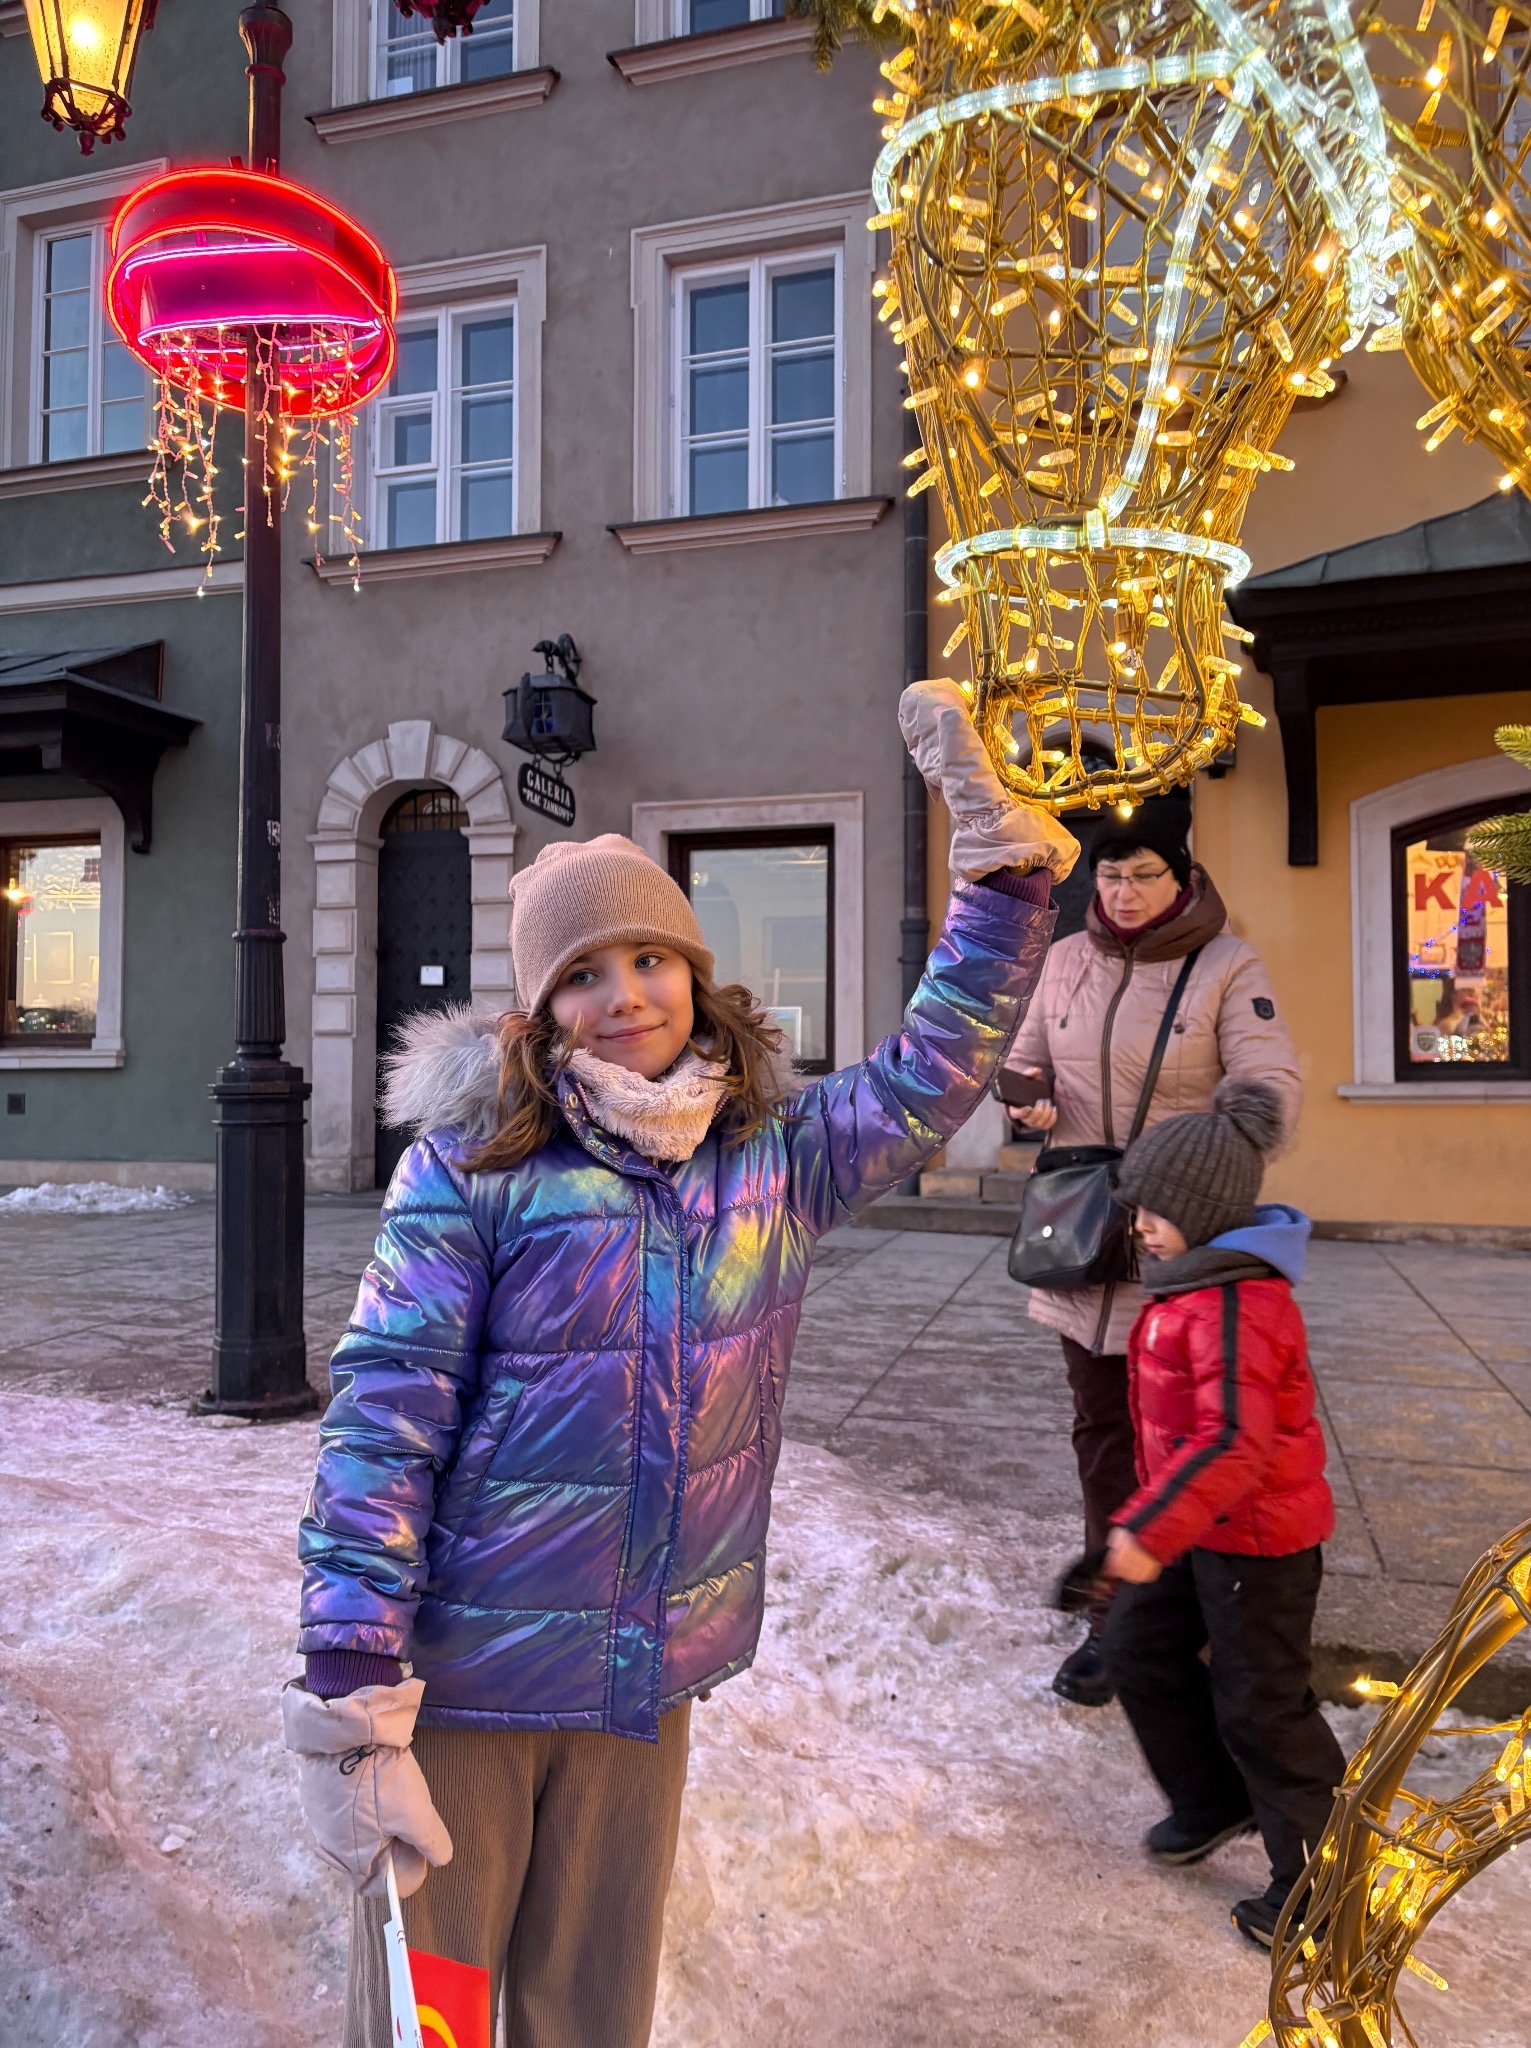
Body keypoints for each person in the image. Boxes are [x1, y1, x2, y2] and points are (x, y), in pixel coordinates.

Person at [282, 679, 1077, 2048]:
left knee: (592, 2010)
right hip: (464, 1682)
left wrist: (1001, 886)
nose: (624, 995)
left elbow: (933, 1068)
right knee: (437, 2016)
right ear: (540, 1008)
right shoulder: (472, 1170)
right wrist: (350, 1669)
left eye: (648, 957)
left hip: (631, 1677)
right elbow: (383, 1415)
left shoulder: (772, 1158)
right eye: (581, 974)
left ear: (694, 972)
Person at [1000, 803, 1301, 1707]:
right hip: (1081, 1229)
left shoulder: (1225, 964)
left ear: (1181, 879)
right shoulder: (1064, 959)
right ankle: (1117, 1614)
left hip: (1173, 1236)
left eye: (1144, 876)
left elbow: (1269, 1088)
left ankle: (1181, 1616)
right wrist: (1026, 1096)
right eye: (1111, 876)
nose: (1124, 894)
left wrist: (1203, 1165)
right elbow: (1023, 1057)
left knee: (1182, 1435)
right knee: (1100, 1430)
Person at [1101, 1077, 1345, 1950]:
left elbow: (1233, 1441)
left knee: (1262, 1705)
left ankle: (1324, 1885)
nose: (1139, 1226)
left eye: (1154, 1211)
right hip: (1199, 1530)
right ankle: (1212, 1801)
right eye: (1136, 1208)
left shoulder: (1238, 1303)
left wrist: (1149, 1528)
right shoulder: (1193, 1286)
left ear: (1202, 1213)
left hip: (1259, 1546)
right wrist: (1157, 1523)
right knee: (1134, 1648)